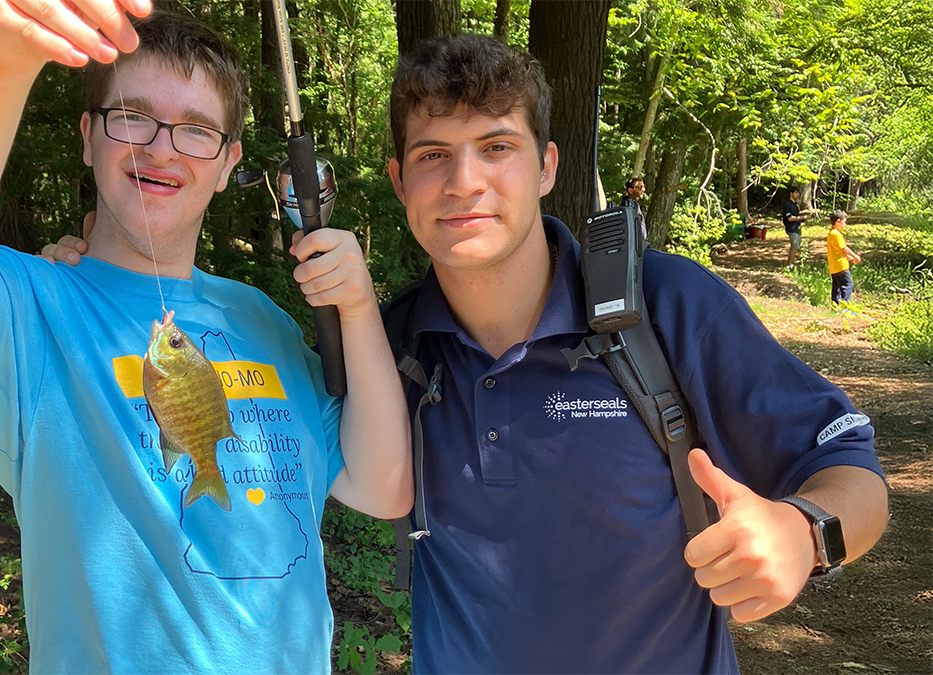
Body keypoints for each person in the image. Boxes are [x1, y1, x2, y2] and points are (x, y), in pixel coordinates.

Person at [46, 32, 888, 675]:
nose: (465, 182)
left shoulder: (662, 307)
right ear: (399, 177)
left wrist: (803, 530)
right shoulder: (387, 345)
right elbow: (269, 441)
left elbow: (850, 464)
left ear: (548, 164)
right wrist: (99, 277)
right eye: (433, 156)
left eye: (497, 147)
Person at [0, 3, 412, 673]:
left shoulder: (264, 319)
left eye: (197, 130)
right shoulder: (36, 307)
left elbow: (383, 486)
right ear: (88, 136)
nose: (161, 148)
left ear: (228, 160)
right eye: (132, 117)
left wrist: (356, 308)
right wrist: (3, 60)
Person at [827, 209, 862, 306]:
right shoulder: (836, 234)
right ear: (838, 221)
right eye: (844, 222)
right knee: (848, 285)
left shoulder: (831, 233)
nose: (844, 225)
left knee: (837, 288)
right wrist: (855, 256)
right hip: (840, 266)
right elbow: (844, 248)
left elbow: (838, 250)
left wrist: (850, 257)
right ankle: (844, 307)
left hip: (834, 266)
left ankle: (835, 307)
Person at [783, 185, 811, 267]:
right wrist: (803, 217)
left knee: (797, 246)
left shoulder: (795, 204)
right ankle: (789, 264)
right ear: (791, 193)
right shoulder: (787, 204)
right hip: (791, 228)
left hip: (797, 227)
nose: (797, 194)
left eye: (798, 193)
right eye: (796, 193)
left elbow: (796, 215)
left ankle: (796, 262)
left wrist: (803, 220)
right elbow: (790, 218)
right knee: (794, 246)